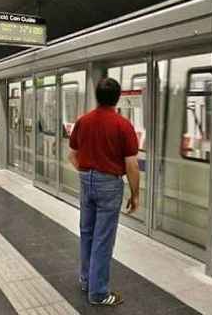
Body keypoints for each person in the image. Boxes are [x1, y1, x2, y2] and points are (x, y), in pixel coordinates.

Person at [68, 77, 140, 307]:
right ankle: (98, 293)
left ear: (97, 96)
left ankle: (86, 279)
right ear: (117, 98)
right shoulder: (123, 125)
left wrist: (86, 172)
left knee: (87, 231)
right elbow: (131, 165)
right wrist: (135, 194)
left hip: (85, 179)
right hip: (109, 183)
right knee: (103, 238)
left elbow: (71, 155)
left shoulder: (83, 121)